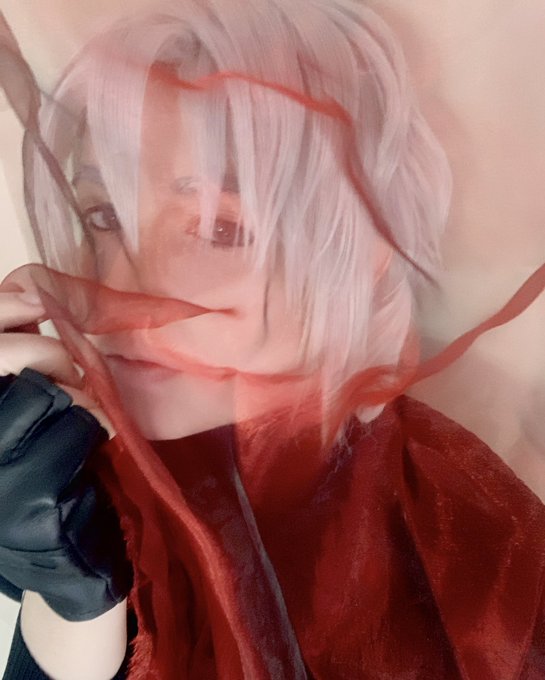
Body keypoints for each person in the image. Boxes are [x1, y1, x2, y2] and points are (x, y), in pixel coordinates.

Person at [1, 1, 545, 678]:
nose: (118, 288)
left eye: (221, 227)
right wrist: (73, 604)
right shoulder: (76, 481)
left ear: (361, 252)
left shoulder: (460, 532)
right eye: (103, 215)